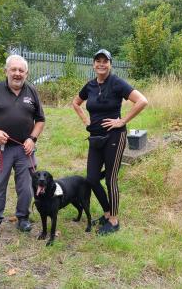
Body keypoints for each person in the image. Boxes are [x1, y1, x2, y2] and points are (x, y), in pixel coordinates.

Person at [72, 49, 148, 235]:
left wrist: (122, 121)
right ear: (93, 64)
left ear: (110, 64)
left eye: (105, 61)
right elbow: (75, 103)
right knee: (91, 178)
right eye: (97, 61)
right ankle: (107, 213)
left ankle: (113, 221)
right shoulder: (89, 86)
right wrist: (85, 120)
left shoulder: (116, 83)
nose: (101, 64)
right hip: (95, 138)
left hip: (115, 137)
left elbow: (142, 101)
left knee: (110, 178)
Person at [0, 55, 45, 241]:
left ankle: (23, 217)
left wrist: (33, 138)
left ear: (26, 73)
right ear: (6, 71)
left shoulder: (32, 91)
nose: (17, 74)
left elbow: (40, 120)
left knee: (26, 186)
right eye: (13, 70)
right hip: (1, 149)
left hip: (25, 149)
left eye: (21, 70)